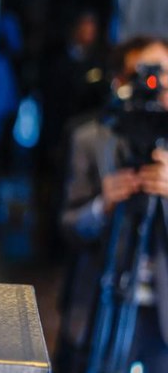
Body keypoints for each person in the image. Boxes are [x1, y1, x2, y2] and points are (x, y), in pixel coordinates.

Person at [56, 36, 168, 373]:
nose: (156, 83)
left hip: (161, 318)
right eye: (145, 73)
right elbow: (69, 227)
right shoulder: (90, 139)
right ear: (120, 81)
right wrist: (103, 204)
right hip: (96, 308)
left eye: (164, 72)